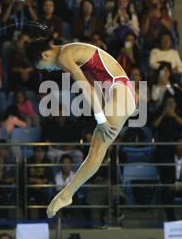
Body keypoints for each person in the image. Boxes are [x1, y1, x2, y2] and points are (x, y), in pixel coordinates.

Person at [25, 36, 137, 218]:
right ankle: (68, 194)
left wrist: (101, 119)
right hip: (114, 89)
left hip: (120, 89)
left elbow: (87, 88)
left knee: (98, 148)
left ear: (45, 55)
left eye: (44, 67)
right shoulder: (69, 49)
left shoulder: (63, 57)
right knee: (98, 146)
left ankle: (67, 194)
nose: (49, 70)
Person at [27, 146, 53, 219]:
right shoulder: (28, 161)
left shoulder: (48, 161)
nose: (39, 154)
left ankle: (42, 220)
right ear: (34, 152)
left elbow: (49, 177)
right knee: (23, 196)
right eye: (37, 151)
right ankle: (27, 219)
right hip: (30, 187)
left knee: (44, 196)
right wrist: (37, 181)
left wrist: (40, 183)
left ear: (44, 153)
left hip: (42, 187)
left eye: (41, 152)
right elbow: (24, 177)